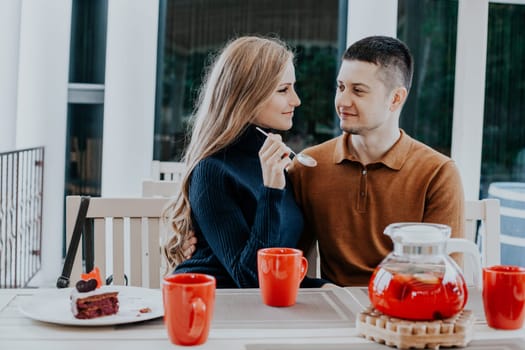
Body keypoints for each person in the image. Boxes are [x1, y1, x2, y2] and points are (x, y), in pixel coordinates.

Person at [287, 35, 465, 286]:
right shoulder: (309, 166)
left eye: (358, 90)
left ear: (395, 99)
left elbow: (442, 278)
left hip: (405, 314)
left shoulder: (438, 173)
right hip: (332, 312)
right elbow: (285, 261)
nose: (343, 101)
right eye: (341, 87)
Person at [162, 36, 326, 288]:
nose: (296, 100)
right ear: (248, 97)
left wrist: (324, 287)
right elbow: (251, 279)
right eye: (283, 90)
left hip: (265, 306)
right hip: (215, 306)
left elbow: (279, 263)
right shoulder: (212, 170)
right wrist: (271, 190)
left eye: (293, 87)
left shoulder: (279, 162)